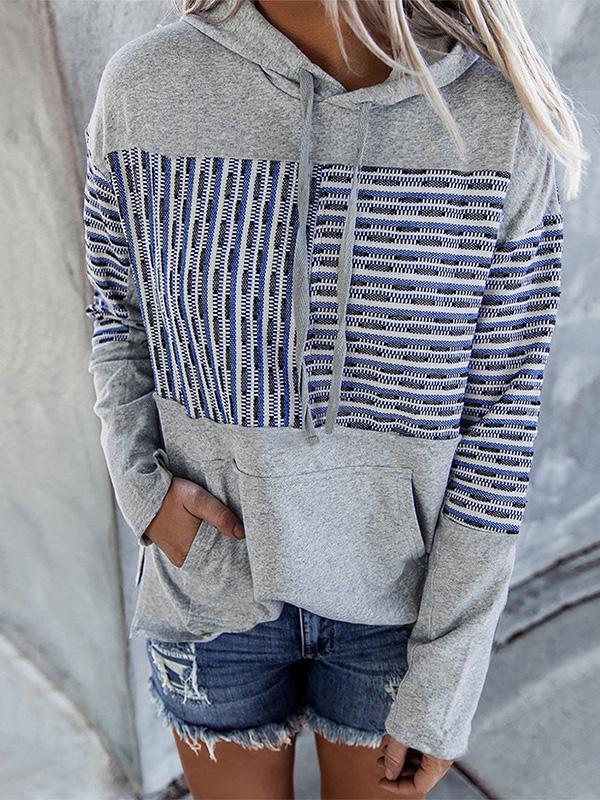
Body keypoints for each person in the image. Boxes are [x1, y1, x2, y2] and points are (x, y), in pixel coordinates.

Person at [81, 0, 586, 797]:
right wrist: (143, 492)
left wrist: (449, 669)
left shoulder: (497, 121)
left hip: (400, 610)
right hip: (212, 588)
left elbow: (501, 420)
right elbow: (118, 311)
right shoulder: (147, 85)